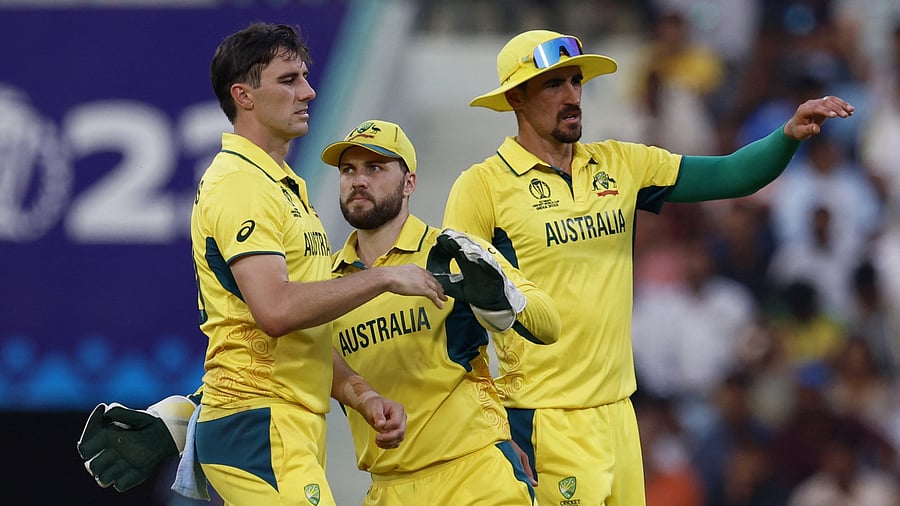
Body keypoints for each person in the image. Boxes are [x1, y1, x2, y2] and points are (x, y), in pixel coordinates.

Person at [442, 29, 855, 506]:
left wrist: (787, 135)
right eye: (554, 85)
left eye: (576, 82)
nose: (573, 96)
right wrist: (493, 434)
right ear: (516, 97)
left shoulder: (621, 165)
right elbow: (457, 322)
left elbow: (732, 175)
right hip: (542, 419)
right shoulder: (481, 187)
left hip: (620, 415)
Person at [77, 23, 447, 506]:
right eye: (289, 80)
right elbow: (275, 310)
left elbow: (300, 332)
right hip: (257, 422)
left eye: (305, 77)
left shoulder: (282, 186)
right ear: (243, 95)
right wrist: (384, 277)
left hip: (283, 422)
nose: (308, 91)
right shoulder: (240, 184)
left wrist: (361, 395)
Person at [321, 119, 559, 504]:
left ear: (410, 183)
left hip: (475, 475)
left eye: (375, 168)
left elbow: (549, 324)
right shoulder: (328, 279)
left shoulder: (451, 252)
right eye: (348, 170)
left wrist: (504, 299)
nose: (358, 180)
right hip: (388, 486)